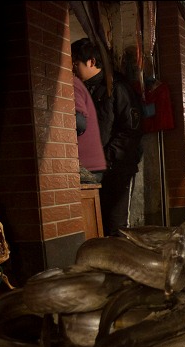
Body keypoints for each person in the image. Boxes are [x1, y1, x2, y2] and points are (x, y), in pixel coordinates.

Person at [71, 38, 144, 237]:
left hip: (118, 170)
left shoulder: (117, 87)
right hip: (93, 171)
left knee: (117, 228)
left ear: (91, 62)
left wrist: (107, 159)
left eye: (75, 63)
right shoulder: (82, 90)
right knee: (97, 225)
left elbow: (130, 131)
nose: (73, 69)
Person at [73, 75, 106, 183]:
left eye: (77, 64)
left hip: (88, 166)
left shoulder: (71, 82)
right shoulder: (75, 82)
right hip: (92, 164)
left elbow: (79, 122)